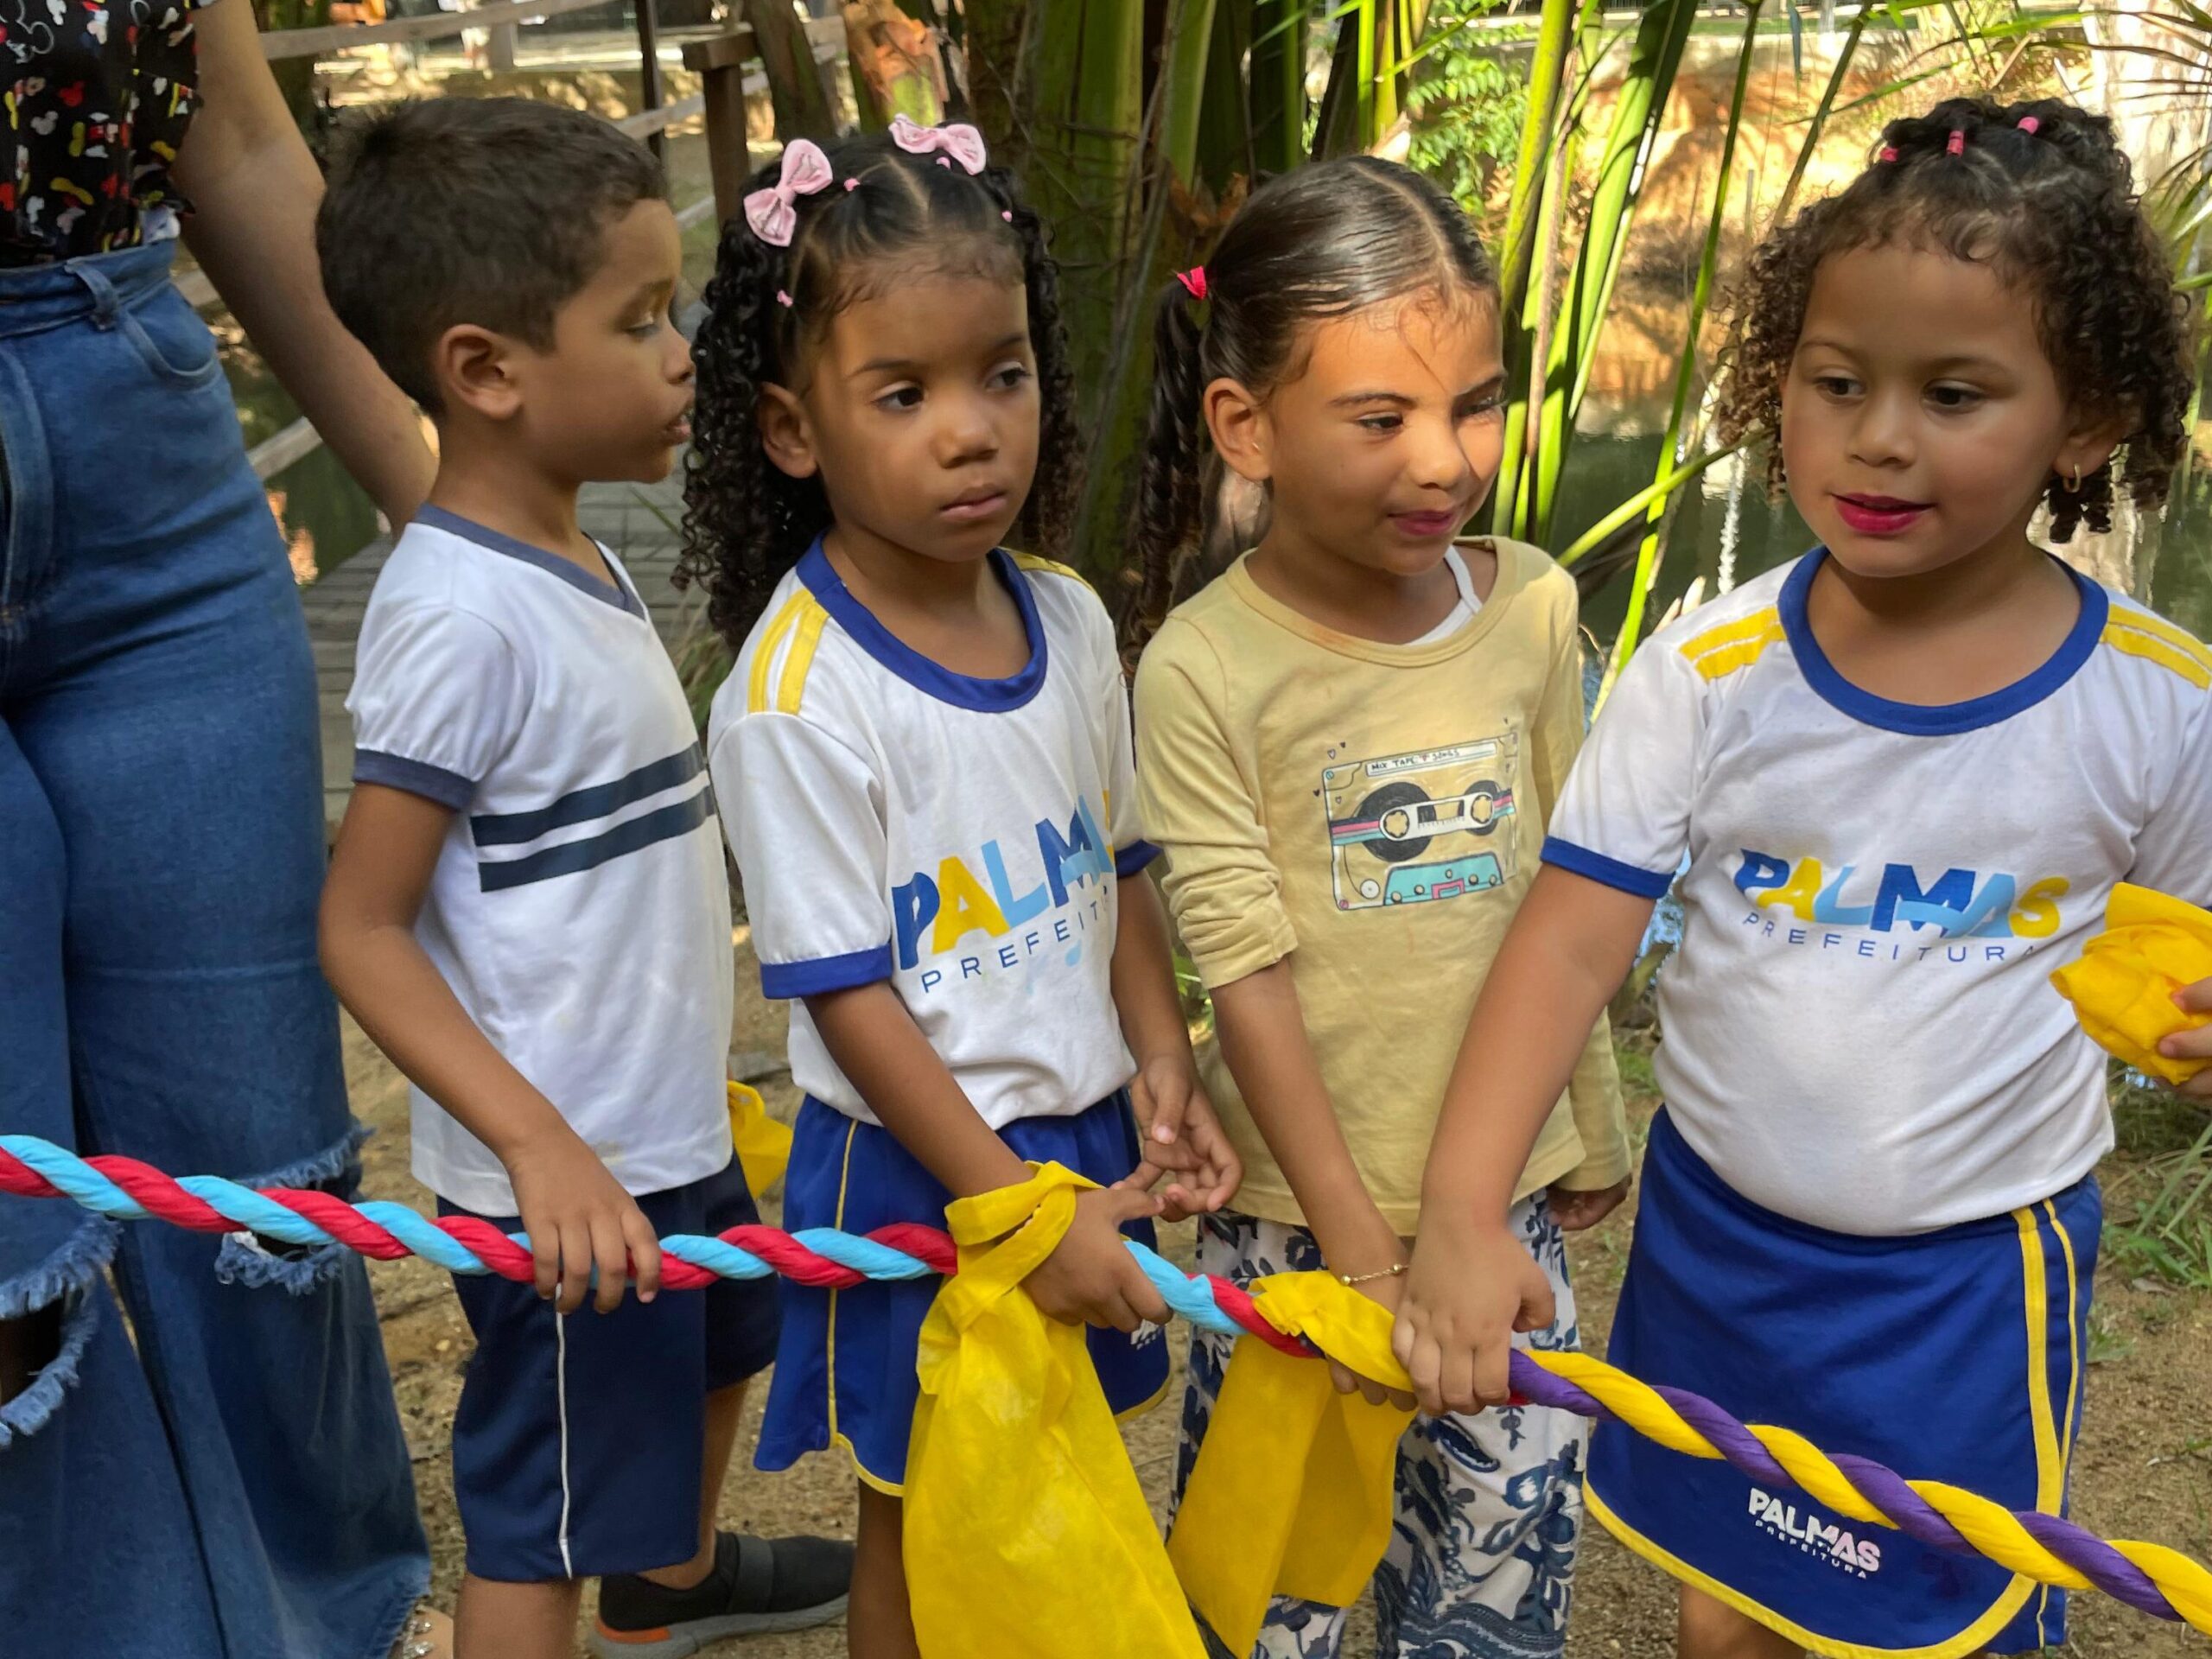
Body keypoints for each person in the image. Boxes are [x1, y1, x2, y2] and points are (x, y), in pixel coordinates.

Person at [1394, 97, 2212, 1659]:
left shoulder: (2161, 712)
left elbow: (2193, 964)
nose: (1880, 436)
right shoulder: (1709, 674)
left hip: (1970, 1280)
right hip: (1722, 1246)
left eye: (1956, 393)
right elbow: (1568, 953)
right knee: (1738, 1605)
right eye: (1837, 384)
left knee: (1941, 1619)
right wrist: (1459, 1209)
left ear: (2090, 417)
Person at [682, 121, 1242, 1659]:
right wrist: (1003, 1202)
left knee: (1053, 1458)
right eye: (906, 394)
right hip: (919, 1167)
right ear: (795, 431)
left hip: (1078, 1135)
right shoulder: (795, 696)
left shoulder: (1065, 619)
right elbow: (847, 996)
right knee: (921, 1494)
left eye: (1003, 374)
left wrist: (1163, 1055)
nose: (971, 431)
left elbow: (1119, 863)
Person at [314, 99, 852, 1659]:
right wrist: (540, 1147)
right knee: (534, 1517)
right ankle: (597, 1590)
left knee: (718, 1342)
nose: (683, 348)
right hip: (569, 1162)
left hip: (659, 1122)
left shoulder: (567, 546)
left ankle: (659, 1593)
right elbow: (359, 925)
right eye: (638, 320)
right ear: (487, 370)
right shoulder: (459, 617)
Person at [1126, 156, 1632, 1659]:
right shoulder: (1202, 669)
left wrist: (1589, 1121)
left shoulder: (1536, 606)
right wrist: (1357, 1263)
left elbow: (1575, 893)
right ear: (1248, 427)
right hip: (1297, 1227)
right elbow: (1249, 975)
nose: (1444, 459)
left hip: (1514, 1208)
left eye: (1475, 402)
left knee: (1492, 1585)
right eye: (1380, 417)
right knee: (1276, 1597)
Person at [0, 1, 442, 1654]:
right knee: (9, 1242)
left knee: (259, 1173)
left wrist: (448, 505)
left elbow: (244, 142)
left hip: (140, 440)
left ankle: (325, 1629)